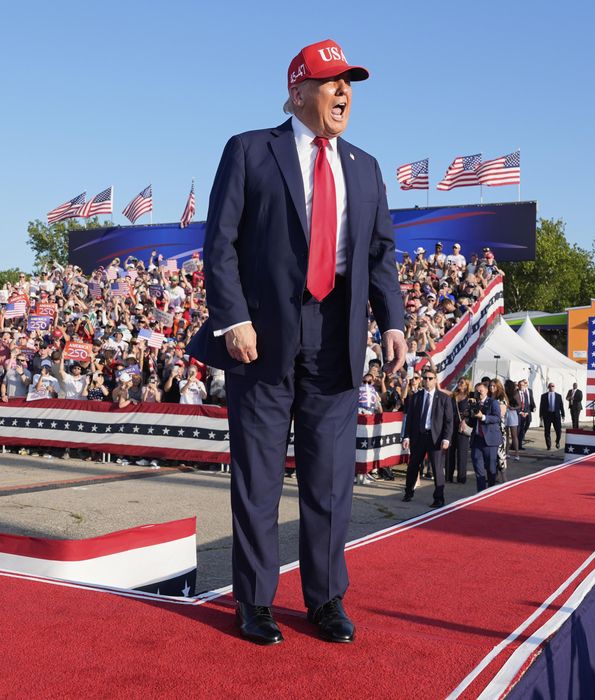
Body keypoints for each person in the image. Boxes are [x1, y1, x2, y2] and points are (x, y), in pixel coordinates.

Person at [186, 39, 405, 647]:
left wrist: (392, 322)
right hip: (260, 340)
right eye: (333, 82)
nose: (344, 93)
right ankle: (254, 601)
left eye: (350, 84)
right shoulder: (250, 149)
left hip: (337, 338)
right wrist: (233, 318)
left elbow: (380, 254)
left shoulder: (365, 166)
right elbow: (220, 243)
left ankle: (326, 599)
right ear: (299, 91)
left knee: (330, 481)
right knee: (258, 479)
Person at [400, 368, 453, 508]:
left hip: (435, 438)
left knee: (437, 468)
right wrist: (406, 436)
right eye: (425, 378)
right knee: (413, 465)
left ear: (435, 380)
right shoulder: (416, 397)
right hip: (419, 436)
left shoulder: (443, 398)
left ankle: (439, 498)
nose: (427, 380)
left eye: (430, 378)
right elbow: (410, 419)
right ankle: (408, 492)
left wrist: (446, 438)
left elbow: (449, 421)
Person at [469, 382, 503, 491]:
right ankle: (481, 491)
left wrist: (483, 417)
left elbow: (497, 418)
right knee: (478, 467)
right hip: (477, 440)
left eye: (481, 391)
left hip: (490, 440)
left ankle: (490, 490)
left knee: (491, 468)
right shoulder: (474, 403)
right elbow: (472, 423)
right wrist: (467, 417)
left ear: (486, 391)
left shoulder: (493, 402)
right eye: (477, 391)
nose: (478, 393)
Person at [449, 379, 475, 485]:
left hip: (463, 427)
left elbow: (473, 412)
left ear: (467, 385)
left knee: (462, 453)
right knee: (450, 452)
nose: (459, 384)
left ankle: (461, 478)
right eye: (459, 382)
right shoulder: (453, 395)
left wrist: (465, 421)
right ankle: (448, 476)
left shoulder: (470, 397)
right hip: (452, 426)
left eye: (462, 382)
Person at [499, 379, 520, 462]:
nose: (505, 387)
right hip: (505, 413)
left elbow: (519, 405)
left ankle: (517, 454)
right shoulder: (504, 393)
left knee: (514, 435)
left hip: (512, 413)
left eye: (506, 386)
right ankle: (507, 453)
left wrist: (513, 408)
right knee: (506, 435)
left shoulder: (515, 393)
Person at [540, 382, 564, 450]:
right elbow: (541, 406)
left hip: (556, 415)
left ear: (554, 387)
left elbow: (561, 406)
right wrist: (541, 415)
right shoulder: (544, 396)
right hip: (547, 415)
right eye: (550, 386)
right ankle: (548, 445)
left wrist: (563, 414)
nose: (551, 387)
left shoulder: (558, 396)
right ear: (548, 387)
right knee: (547, 431)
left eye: (553, 386)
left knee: (558, 430)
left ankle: (557, 441)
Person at [514, 379, 534, 450]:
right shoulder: (515, 393)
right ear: (518, 385)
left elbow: (526, 404)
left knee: (522, 430)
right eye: (520, 385)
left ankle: (520, 445)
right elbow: (513, 404)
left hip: (524, 414)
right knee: (517, 430)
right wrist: (520, 412)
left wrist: (526, 412)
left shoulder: (525, 394)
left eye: (523, 385)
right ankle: (514, 445)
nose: (521, 386)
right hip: (517, 414)